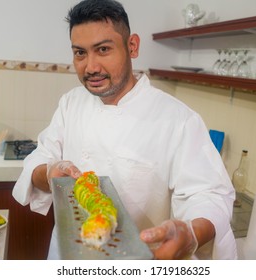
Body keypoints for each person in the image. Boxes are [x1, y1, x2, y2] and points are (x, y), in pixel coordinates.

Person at [12, 0, 237, 260]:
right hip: (68, 256)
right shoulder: (70, 103)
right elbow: (40, 159)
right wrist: (50, 173)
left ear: (132, 47)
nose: (91, 67)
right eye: (80, 53)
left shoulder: (177, 119)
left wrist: (192, 234)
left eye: (103, 49)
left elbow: (208, 193)